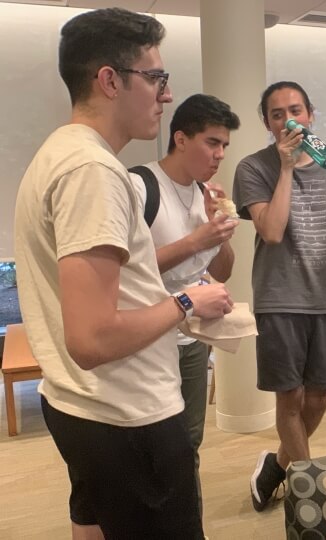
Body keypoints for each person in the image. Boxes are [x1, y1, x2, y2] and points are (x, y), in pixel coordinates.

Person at [14, 8, 232, 539]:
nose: (164, 94)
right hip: (127, 412)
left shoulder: (60, 155)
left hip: (83, 400)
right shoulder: (93, 171)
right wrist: (187, 304)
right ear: (109, 80)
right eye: (155, 77)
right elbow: (91, 336)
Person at [233, 81, 326, 512]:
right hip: (279, 298)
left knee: (322, 395)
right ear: (267, 122)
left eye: (295, 110)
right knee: (288, 398)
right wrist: (287, 167)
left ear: (310, 113)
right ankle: (310, 492)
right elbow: (271, 232)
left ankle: (276, 465)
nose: (287, 119)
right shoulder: (253, 167)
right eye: (277, 114)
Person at [129, 93, 240, 517]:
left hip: (194, 338)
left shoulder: (204, 194)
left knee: (189, 438)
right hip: (146, 337)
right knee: (148, 439)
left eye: (224, 146)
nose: (219, 155)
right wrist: (195, 240)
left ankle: (184, 520)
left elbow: (224, 271)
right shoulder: (140, 186)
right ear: (180, 138)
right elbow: (125, 271)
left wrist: (219, 231)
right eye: (212, 142)